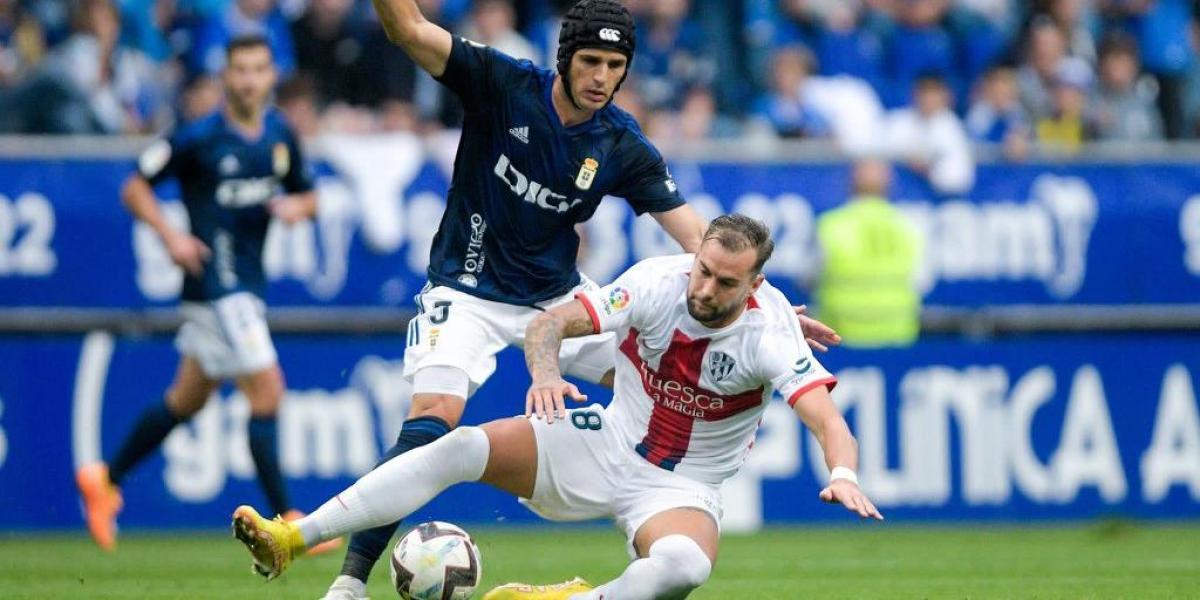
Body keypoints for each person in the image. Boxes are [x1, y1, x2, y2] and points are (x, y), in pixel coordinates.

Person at [306, 1, 840, 597]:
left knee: (663, 372)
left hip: (557, 299)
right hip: (468, 287)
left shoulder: (619, 140)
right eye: (590, 60)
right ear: (565, 58)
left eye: (615, 65)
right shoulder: (502, 83)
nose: (601, 77)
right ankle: (350, 582)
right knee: (434, 419)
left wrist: (761, 304)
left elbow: (699, 238)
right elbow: (406, 28)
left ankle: (655, 504)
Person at [230, 215, 882, 600]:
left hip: (681, 489)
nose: (705, 288)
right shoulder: (657, 279)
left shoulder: (770, 333)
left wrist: (843, 476)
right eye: (702, 269)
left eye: (726, 282)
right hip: (603, 443)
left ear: (757, 285)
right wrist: (544, 374)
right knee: (458, 446)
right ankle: (294, 537)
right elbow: (551, 325)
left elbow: (828, 421)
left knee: (685, 567)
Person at [74, 35, 338, 556]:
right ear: (225, 77)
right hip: (219, 288)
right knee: (269, 392)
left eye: (258, 70)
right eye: (238, 70)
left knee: (186, 399)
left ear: (270, 77)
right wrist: (171, 236)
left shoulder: (280, 136)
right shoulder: (198, 138)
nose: (248, 80)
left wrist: (296, 210)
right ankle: (288, 524)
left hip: (238, 289)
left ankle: (105, 478)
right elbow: (134, 187)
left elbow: (310, 196)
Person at [814, 159, 923, 348]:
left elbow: (809, 277)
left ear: (851, 183)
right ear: (890, 185)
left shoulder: (831, 225)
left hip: (841, 338)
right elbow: (922, 281)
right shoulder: (910, 225)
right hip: (897, 338)